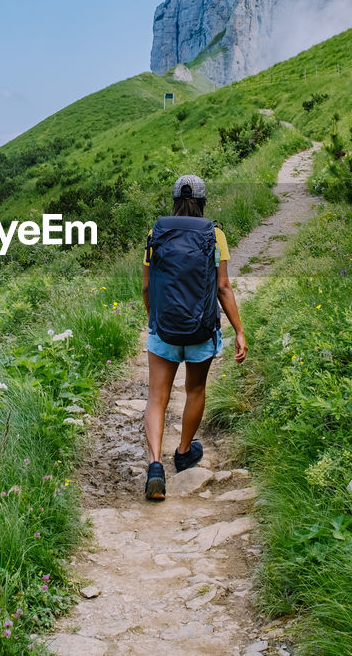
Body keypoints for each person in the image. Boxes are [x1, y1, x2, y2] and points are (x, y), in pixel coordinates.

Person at [141, 174, 247, 501]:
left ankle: (156, 465)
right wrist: (239, 331)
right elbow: (223, 287)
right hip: (201, 327)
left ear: (174, 199)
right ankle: (184, 452)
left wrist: (154, 317)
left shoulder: (156, 233)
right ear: (202, 201)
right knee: (195, 389)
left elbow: (146, 286)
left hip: (164, 327)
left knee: (157, 397)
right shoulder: (215, 235)